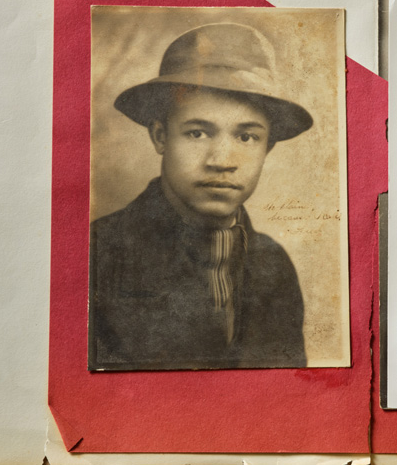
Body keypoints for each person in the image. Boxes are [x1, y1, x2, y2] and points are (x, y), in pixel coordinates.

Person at [89, 23, 313, 371]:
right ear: (160, 136)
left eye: (247, 138)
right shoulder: (98, 253)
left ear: (268, 146)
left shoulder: (274, 265)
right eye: (197, 132)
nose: (221, 161)